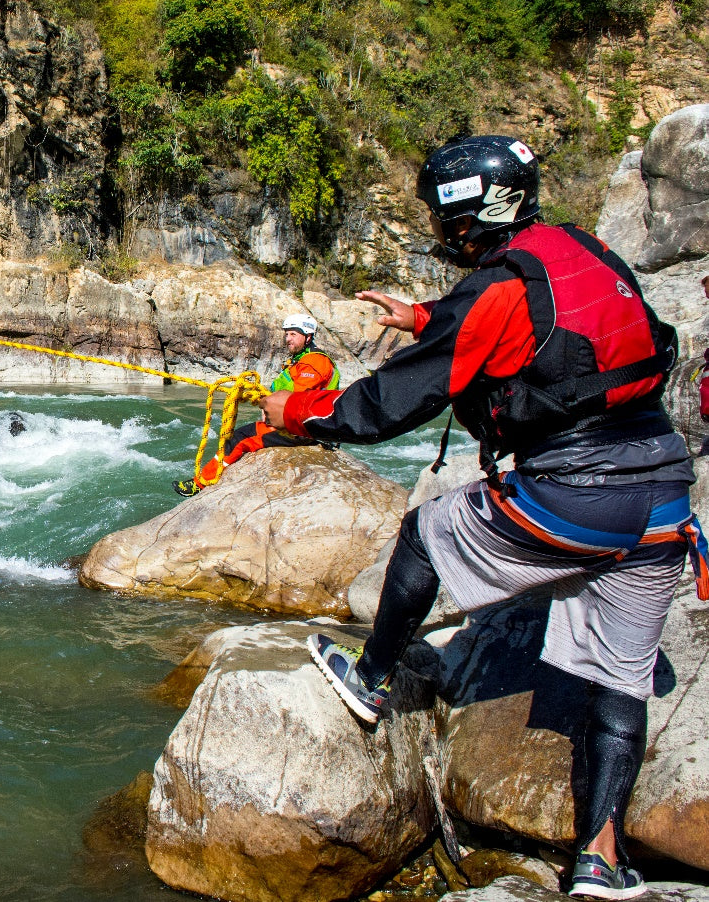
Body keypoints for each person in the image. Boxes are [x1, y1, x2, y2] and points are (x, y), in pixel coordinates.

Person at [258, 135, 704, 900]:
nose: (438, 226)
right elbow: (556, 326)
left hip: (574, 493)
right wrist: (425, 315)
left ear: (467, 213)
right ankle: (600, 859)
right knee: (620, 683)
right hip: (664, 493)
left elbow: (389, 404)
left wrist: (296, 416)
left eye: (440, 212)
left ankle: (368, 680)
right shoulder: (581, 248)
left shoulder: (494, 288)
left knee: (424, 533)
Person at [174, 313, 338, 496]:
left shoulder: (314, 362)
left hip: (304, 429)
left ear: (307, 337)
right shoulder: (300, 360)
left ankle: (200, 484)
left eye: (293, 334)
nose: (288, 339)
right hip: (302, 425)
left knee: (240, 437)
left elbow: (298, 398)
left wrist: (271, 410)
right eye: (287, 334)